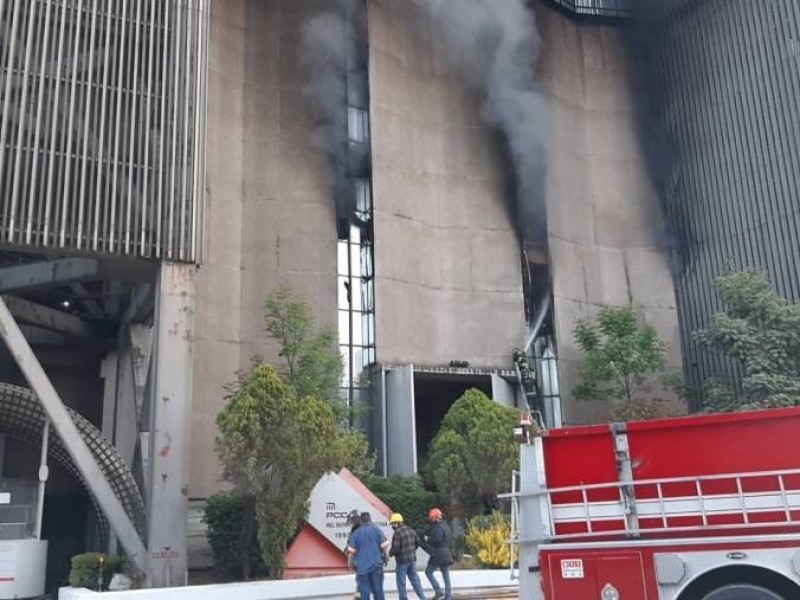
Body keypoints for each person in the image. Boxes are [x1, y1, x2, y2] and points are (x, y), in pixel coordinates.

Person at [347, 512, 390, 600]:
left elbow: (351, 553)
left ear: (361, 521)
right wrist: (386, 558)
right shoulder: (376, 530)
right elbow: (384, 547)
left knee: (364, 592)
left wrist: (351, 565)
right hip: (376, 565)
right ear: (370, 519)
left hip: (362, 568)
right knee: (378, 591)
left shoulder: (356, 533)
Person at [389, 513, 427, 600]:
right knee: (415, 580)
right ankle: (423, 598)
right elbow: (418, 542)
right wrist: (412, 550)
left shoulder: (397, 533)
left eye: (393, 523)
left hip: (402, 561)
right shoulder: (411, 530)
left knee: (401, 582)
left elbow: (396, 548)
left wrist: (390, 553)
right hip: (412, 560)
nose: (392, 526)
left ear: (397, 523)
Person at [424, 508, 453, 600]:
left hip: (438, 554)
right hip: (447, 553)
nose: (431, 521)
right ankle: (448, 597)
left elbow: (437, 539)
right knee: (446, 575)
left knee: (428, 572)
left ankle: (438, 590)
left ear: (435, 518)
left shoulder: (437, 527)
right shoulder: (446, 526)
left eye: (431, 519)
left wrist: (428, 539)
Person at [345, 510, 362, 599]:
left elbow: (353, 545)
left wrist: (351, 562)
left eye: (352, 520)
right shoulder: (356, 529)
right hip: (359, 558)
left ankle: (358, 597)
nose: (352, 522)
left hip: (359, 558)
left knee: (360, 579)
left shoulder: (358, 530)